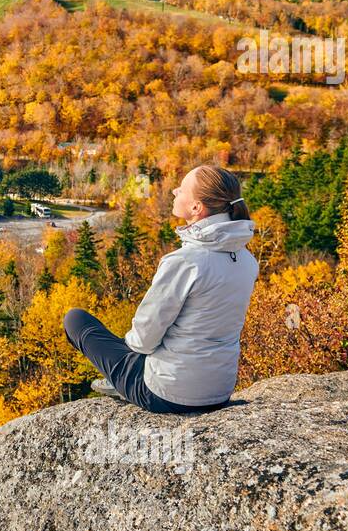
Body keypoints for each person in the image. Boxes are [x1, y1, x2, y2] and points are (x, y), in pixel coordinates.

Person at [63, 165, 259, 414]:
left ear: (196, 208)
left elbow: (143, 340)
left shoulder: (185, 262)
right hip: (219, 391)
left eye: (182, 188)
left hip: (167, 394)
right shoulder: (247, 261)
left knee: (75, 319)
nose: (175, 190)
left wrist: (127, 359)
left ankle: (121, 381)